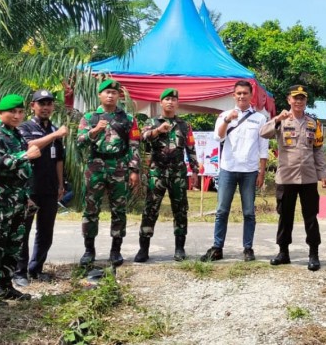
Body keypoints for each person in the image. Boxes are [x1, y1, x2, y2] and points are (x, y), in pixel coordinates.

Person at [0, 94, 41, 304]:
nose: (17, 116)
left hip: (17, 199)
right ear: (1, 113)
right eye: (12, 112)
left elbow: (22, 170)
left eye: (20, 112)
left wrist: (26, 196)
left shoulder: (17, 135)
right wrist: (24, 156)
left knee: (13, 245)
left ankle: (5, 286)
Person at [260, 85, 326, 271]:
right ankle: (283, 252)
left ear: (306, 101)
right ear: (289, 100)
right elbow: (263, 133)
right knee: (285, 216)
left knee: (311, 217)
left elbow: (318, 150)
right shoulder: (281, 120)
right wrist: (277, 118)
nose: (298, 101)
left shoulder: (314, 123)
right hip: (286, 177)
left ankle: (313, 254)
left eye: (302, 98)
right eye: (295, 98)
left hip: (308, 178)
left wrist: (323, 173)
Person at [200, 80, 269, 262]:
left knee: (248, 212)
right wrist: (227, 120)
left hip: (249, 171)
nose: (241, 96)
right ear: (233, 95)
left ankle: (248, 248)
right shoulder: (224, 115)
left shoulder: (260, 118)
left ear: (251, 95)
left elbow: (263, 148)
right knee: (222, 210)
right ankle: (217, 247)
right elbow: (218, 136)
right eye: (238, 93)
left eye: (245, 93)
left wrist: (261, 172)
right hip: (228, 169)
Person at [76, 79, 140, 267]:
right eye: (107, 92)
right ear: (100, 95)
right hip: (95, 166)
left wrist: (134, 169)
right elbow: (80, 142)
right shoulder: (89, 118)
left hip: (119, 166)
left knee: (119, 209)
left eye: (114, 92)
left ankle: (116, 250)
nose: (111, 95)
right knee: (91, 209)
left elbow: (134, 145)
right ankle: (89, 250)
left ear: (119, 96)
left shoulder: (128, 119)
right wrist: (95, 131)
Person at [134, 88, 199, 263]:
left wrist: (194, 171)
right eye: (167, 99)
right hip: (157, 172)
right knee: (150, 209)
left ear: (177, 103)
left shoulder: (185, 126)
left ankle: (179, 248)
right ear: (161, 102)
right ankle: (143, 249)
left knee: (180, 210)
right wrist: (158, 131)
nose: (170, 102)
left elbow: (191, 148)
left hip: (178, 172)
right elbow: (143, 137)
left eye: (173, 99)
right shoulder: (152, 122)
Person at [13, 89, 68, 287]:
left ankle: (36, 269)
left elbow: (59, 160)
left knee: (45, 231)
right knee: (23, 230)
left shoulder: (53, 128)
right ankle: (19, 272)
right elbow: (30, 147)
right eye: (41, 103)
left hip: (50, 188)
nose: (45, 107)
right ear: (33, 106)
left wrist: (61, 184)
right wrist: (55, 134)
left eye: (49, 104)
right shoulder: (25, 127)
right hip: (29, 188)